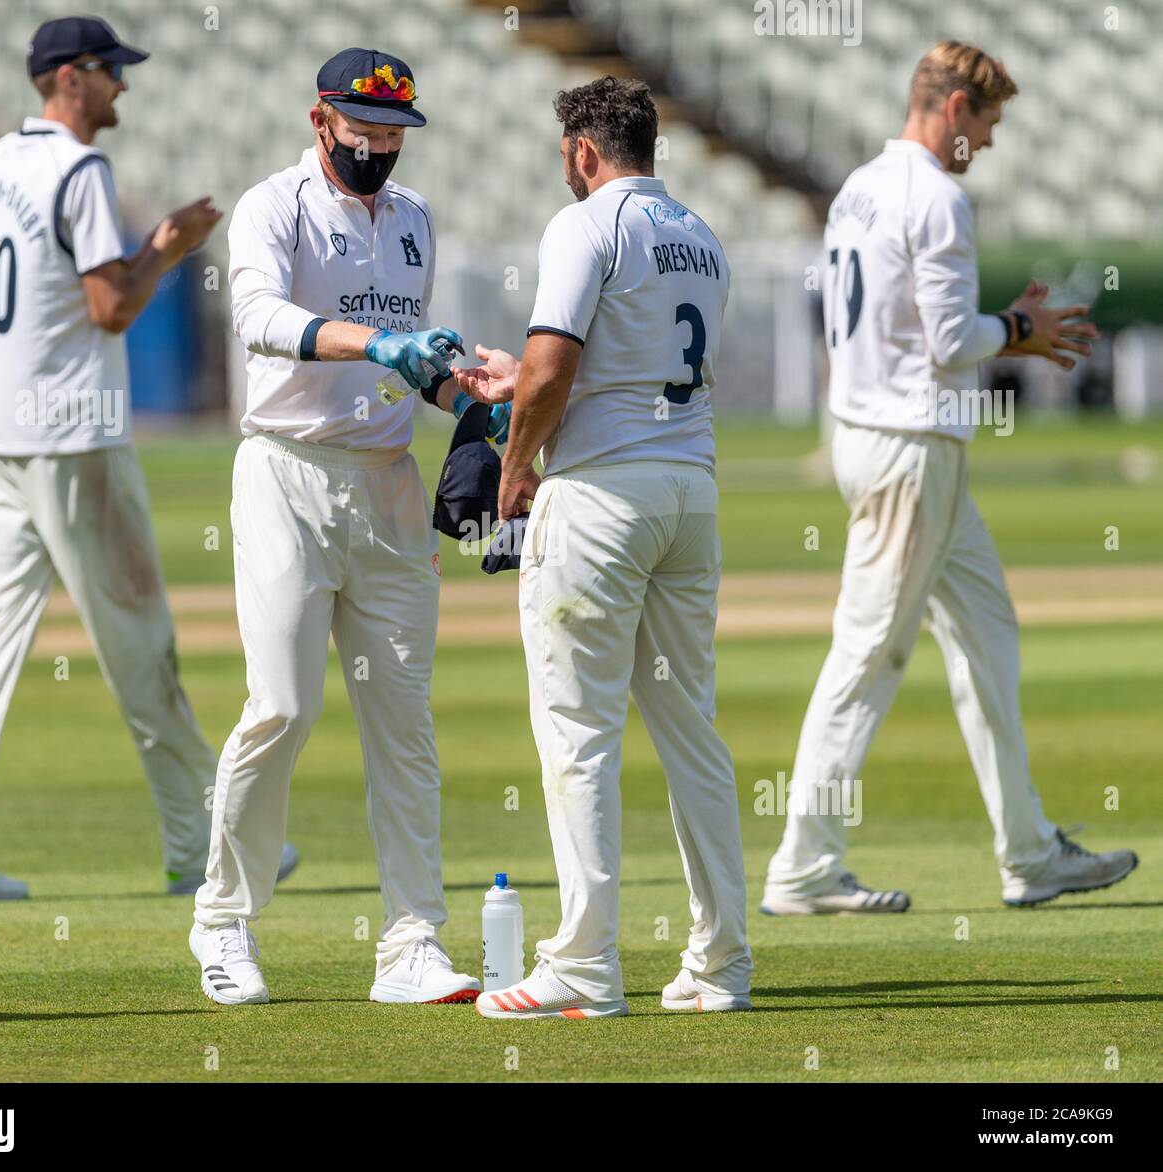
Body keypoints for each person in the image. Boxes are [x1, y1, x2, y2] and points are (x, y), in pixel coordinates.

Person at [0, 16, 298, 901]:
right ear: (68, 78)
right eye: (111, 70)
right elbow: (109, 307)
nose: (123, 84)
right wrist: (166, 246)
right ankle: (202, 841)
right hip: (73, 431)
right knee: (139, 643)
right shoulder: (79, 169)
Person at [760, 41, 1136, 914]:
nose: (993, 142)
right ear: (955, 109)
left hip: (882, 437)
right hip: (908, 447)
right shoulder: (937, 195)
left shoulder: (857, 187)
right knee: (867, 654)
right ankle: (804, 864)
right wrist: (1020, 326)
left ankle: (1030, 851)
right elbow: (948, 343)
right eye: (990, 121)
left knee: (988, 641)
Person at [190, 48, 486, 1007]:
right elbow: (259, 317)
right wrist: (380, 342)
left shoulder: (414, 220)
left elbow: (409, 357)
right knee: (281, 705)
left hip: (390, 484)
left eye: (394, 133)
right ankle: (224, 924)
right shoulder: (273, 205)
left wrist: (464, 397)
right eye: (364, 130)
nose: (380, 149)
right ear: (322, 119)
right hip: (287, 472)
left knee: (404, 726)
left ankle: (411, 945)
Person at [457, 77, 752, 1019]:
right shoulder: (700, 235)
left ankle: (584, 964)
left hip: (601, 501)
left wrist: (514, 465)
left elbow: (555, 362)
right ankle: (721, 965)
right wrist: (530, 383)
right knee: (691, 735)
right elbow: (622, 364)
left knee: (579, 735)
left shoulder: (583, 224)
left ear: (585, 153)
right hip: (689, 492)